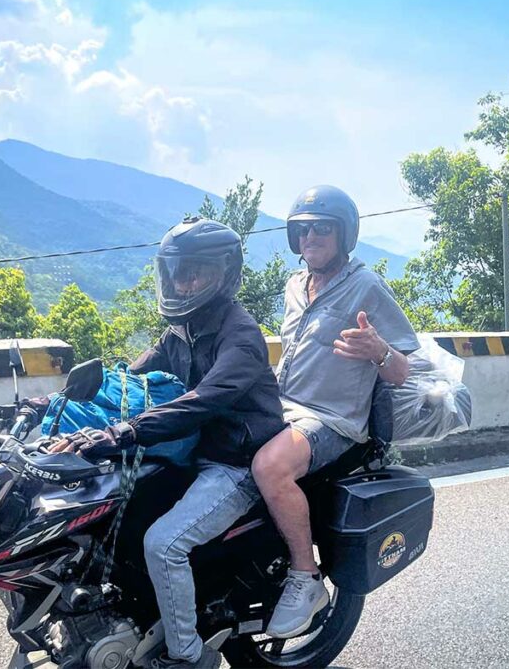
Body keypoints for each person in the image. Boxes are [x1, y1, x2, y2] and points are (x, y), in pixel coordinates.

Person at [49, 217, 285, 669]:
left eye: (196, 271)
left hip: (233, 461)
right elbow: (129, 382)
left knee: (163, 544)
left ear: (224, 273)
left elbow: (205, 399)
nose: (184, 281)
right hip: (189, 453)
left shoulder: (240, 335)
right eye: (178, 271)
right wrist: (55, 401)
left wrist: (124, 433)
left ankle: (189, 656)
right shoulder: (182, 328)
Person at [251, 185, 419, 639]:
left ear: (344, 234)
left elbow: (404, 369)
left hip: (333, 420)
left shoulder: (366, 286)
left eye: (322, 229)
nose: (311, 238)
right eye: (302, 230)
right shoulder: (294, 285)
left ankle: (305, 578)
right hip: (283, 407)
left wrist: (379, 350)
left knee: (270, 467)